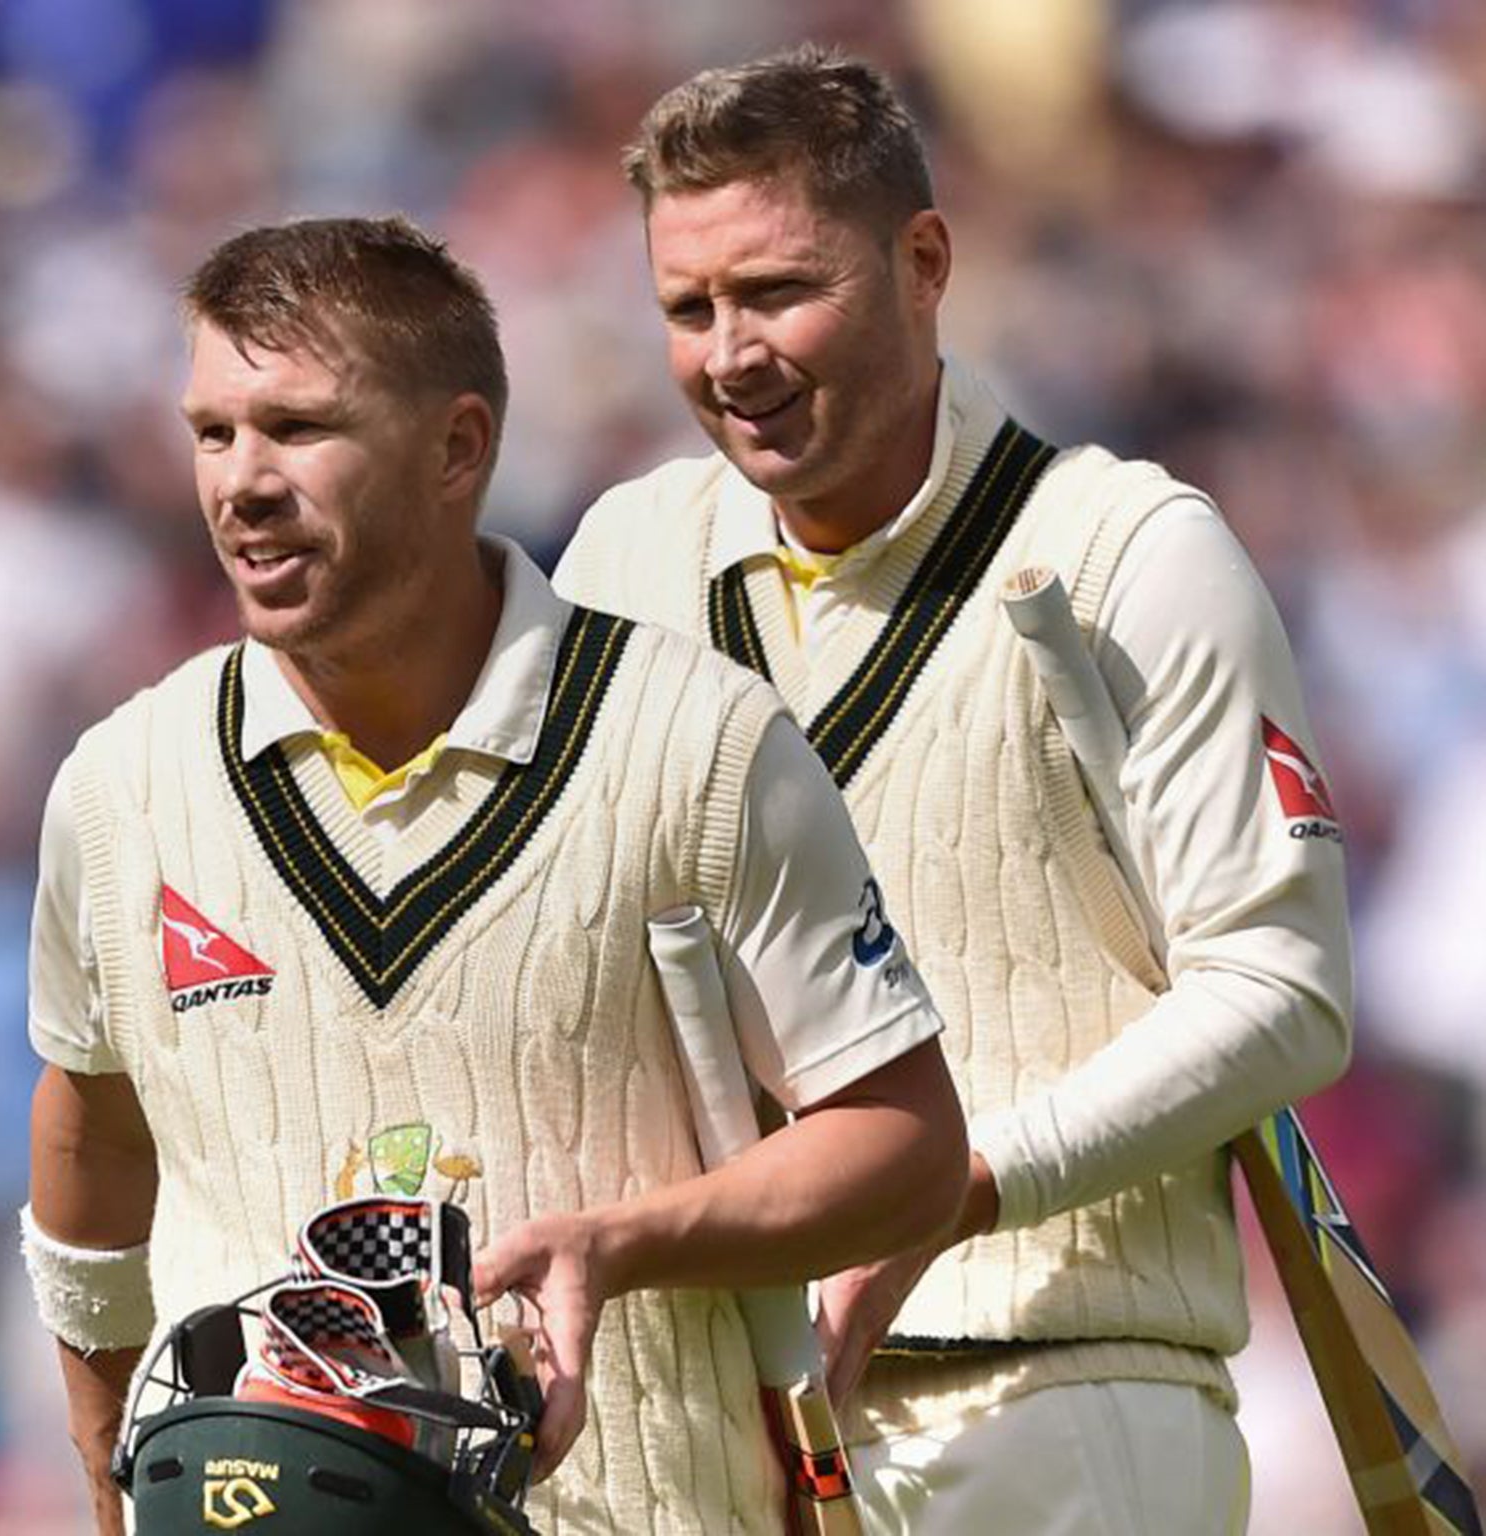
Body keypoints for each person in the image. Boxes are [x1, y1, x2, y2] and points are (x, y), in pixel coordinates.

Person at [19, 214, 968, 1535]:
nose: (240, 481)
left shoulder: (695, 741)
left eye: (299, 429)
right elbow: (93, 1138)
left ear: (458, 446)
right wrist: (101, 1457)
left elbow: (909, 1150)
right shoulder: (121, 788)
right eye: (213, 432)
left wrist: (624, 1244)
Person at [552, 45, 1354, 1534]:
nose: (732, 354)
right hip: (728, 1422)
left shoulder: (1132, 550)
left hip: (1058, 1392)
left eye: (780, 291)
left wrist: (952, 1190)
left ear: (924, 262)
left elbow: (1282, 989)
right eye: (688, 307)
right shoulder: (621, 561)